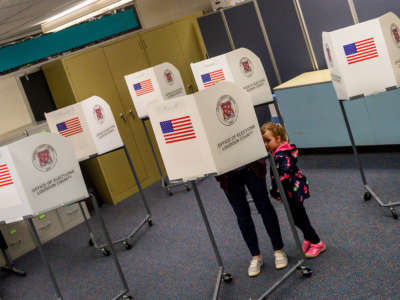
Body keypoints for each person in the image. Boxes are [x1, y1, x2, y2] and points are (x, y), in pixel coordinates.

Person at [261, 122, 326, 258]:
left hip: (292, 191)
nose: (266, 144)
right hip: (290, 191)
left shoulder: (282, 155)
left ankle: (317, 242)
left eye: (268, 140)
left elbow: (283, 176)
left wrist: (275, 191)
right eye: (263, 142)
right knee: (298, 217)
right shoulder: (277, 153)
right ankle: (309, 238)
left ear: (278, 139)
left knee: (298, 218)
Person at [216, 159, 288, 277]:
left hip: (251, 164)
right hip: (227, 172)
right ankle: (255, 256)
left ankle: (278, 250)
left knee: (265, 207)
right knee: (241, 214)